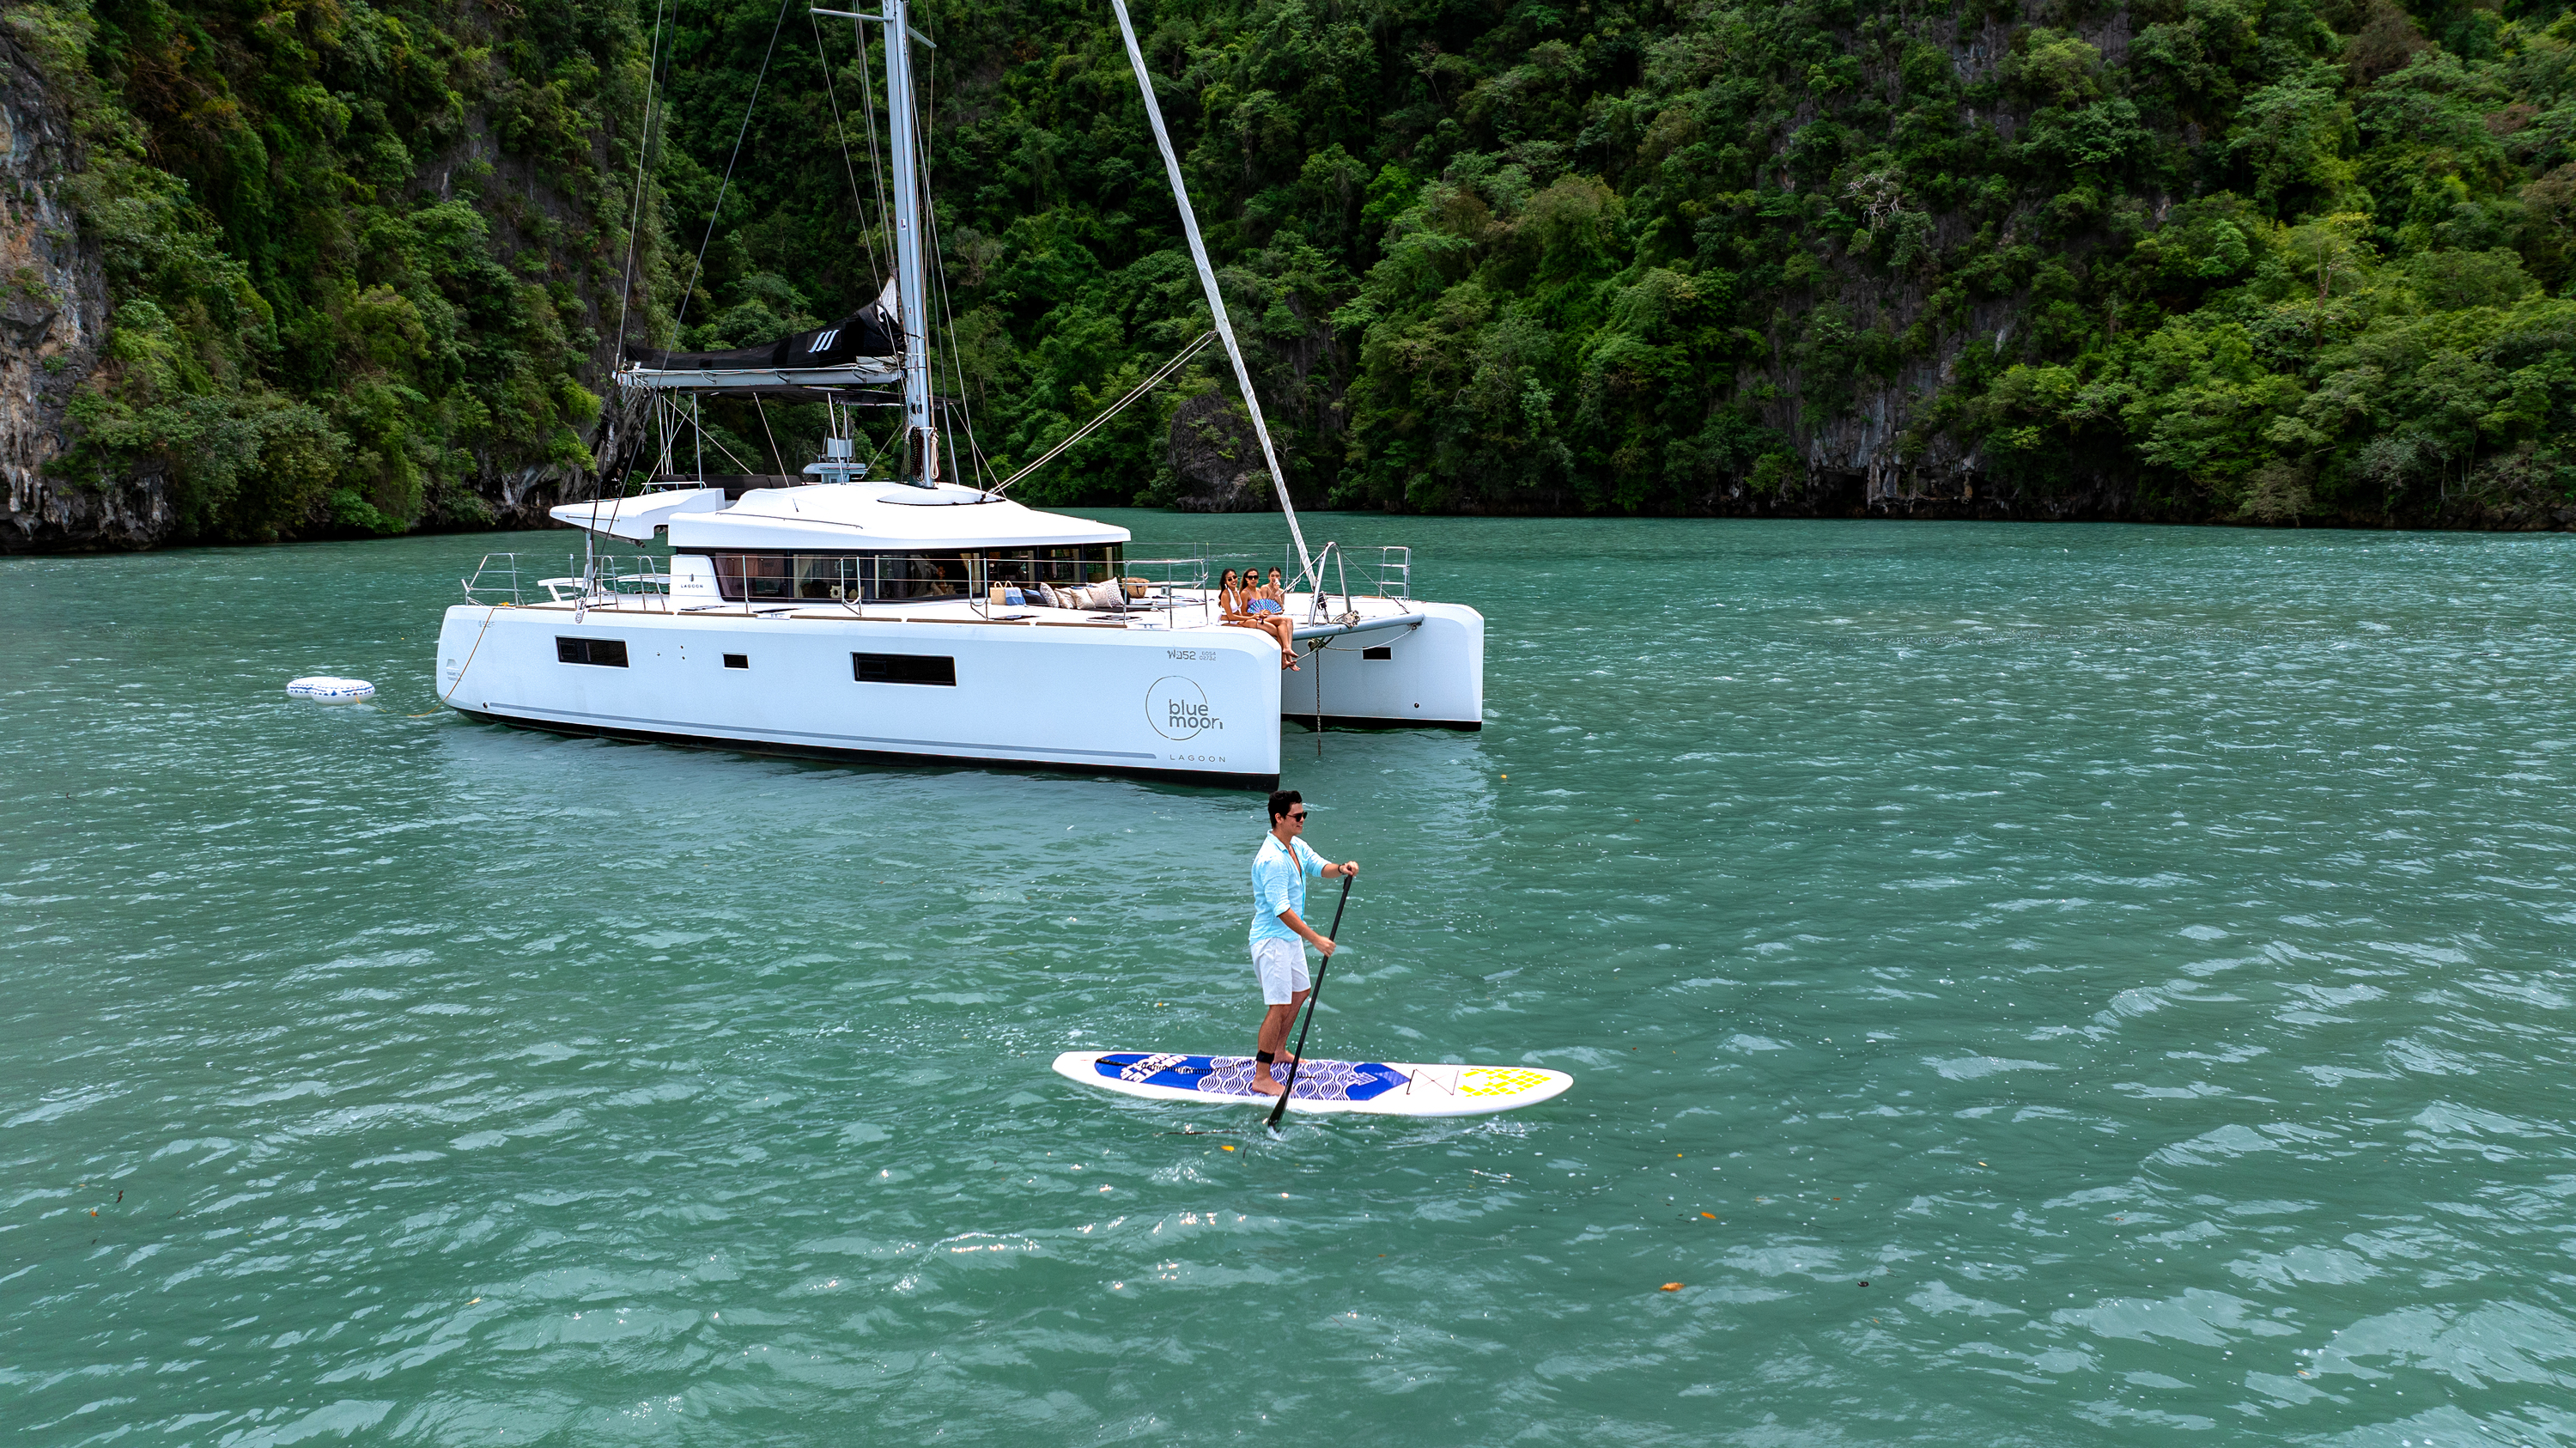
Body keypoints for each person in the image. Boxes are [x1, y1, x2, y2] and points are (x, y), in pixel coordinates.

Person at [1246, 788, 1358, 1097]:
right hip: (1271, 941)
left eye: (1304, 815)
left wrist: (1341, 869)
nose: (1302, 820)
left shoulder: (1294, 845)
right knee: (1278, 1005)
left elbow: (1318, 866)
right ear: (1279, 818)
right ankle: (1262, 1076)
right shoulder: (1271, 860)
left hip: (1289, 940)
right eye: (1297, 816)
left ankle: (1280, 1051)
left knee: (1300, 992)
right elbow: (1281, 909)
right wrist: (1316, 939)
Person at [1236, 567, 1299, 670]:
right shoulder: (1245, 593)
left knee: (1286, 621)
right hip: (1254, 618)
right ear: (1246, 579)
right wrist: (1255, 615)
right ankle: (1285, 657)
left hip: (1261, 617)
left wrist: (1276, 604)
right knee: (1281, 625)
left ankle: (1286, 654)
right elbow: (1243, 612)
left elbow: (1266, 607)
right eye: (1250, 577)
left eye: (1255, 577)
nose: (1253, 579)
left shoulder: (1258, 591)